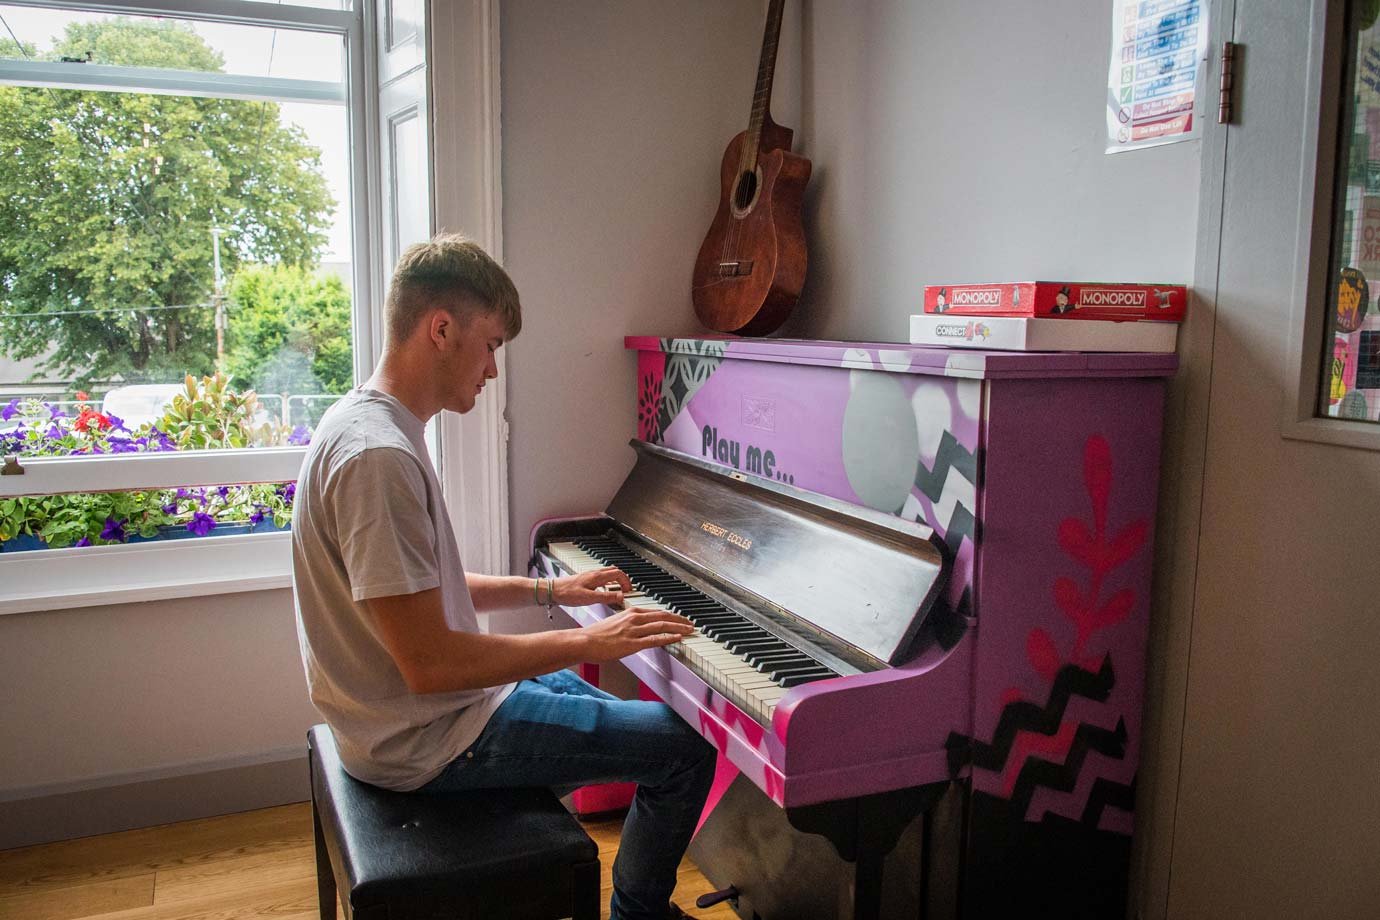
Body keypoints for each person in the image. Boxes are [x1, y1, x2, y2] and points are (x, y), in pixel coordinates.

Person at [291, 233, 717, 920]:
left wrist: (553, 590)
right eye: (491, 344)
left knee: (656, 723)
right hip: (427, 743)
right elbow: (430, 663)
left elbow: (421, 589)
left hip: (421, 718)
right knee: (686, 751)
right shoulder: (379, 459)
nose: (492, 370)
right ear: (440, 329)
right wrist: (590, 644)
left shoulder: (368, 426)